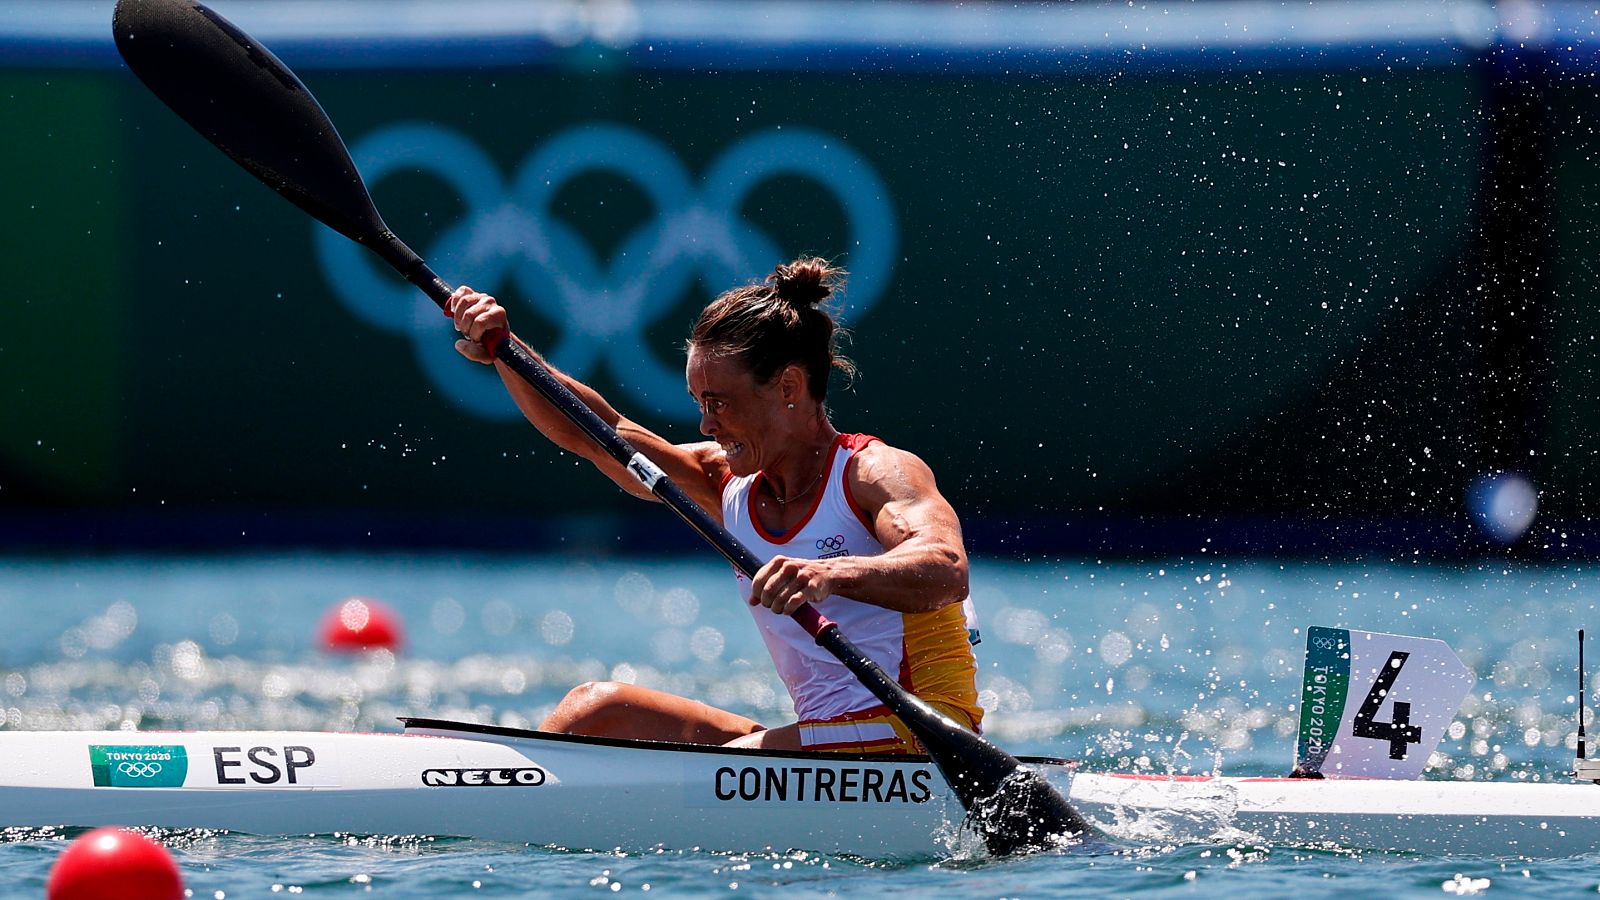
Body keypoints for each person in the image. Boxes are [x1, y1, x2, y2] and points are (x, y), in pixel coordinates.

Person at [447, 257, 982, 753]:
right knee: (597, 709)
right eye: (700, 404)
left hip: (921, 735)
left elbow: (946, 569)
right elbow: (599, 433)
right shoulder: (725, 484)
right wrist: (506, 350)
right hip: (823, 740)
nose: (705, 425)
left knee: (730, 761)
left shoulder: (874, 473)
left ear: (789, 387)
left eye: (718, 403)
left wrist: (827, 575)